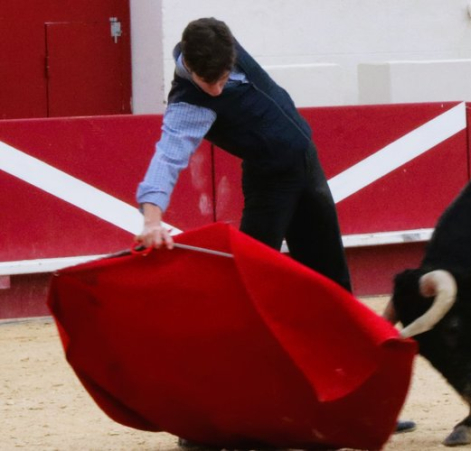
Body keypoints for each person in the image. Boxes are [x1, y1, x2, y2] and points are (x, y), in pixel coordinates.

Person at [135, 18, 415, 449]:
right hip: (270, 186)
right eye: (206, 80)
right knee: (247, 299)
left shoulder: (222, 41)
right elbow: (168, 156)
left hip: (307, 168)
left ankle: (356, 409)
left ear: (232, 59)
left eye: (223, 78)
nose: (214, 89)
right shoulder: (188, 102)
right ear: (188, 64)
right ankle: (212, 420)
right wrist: (152, 218)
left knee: (335, 289)